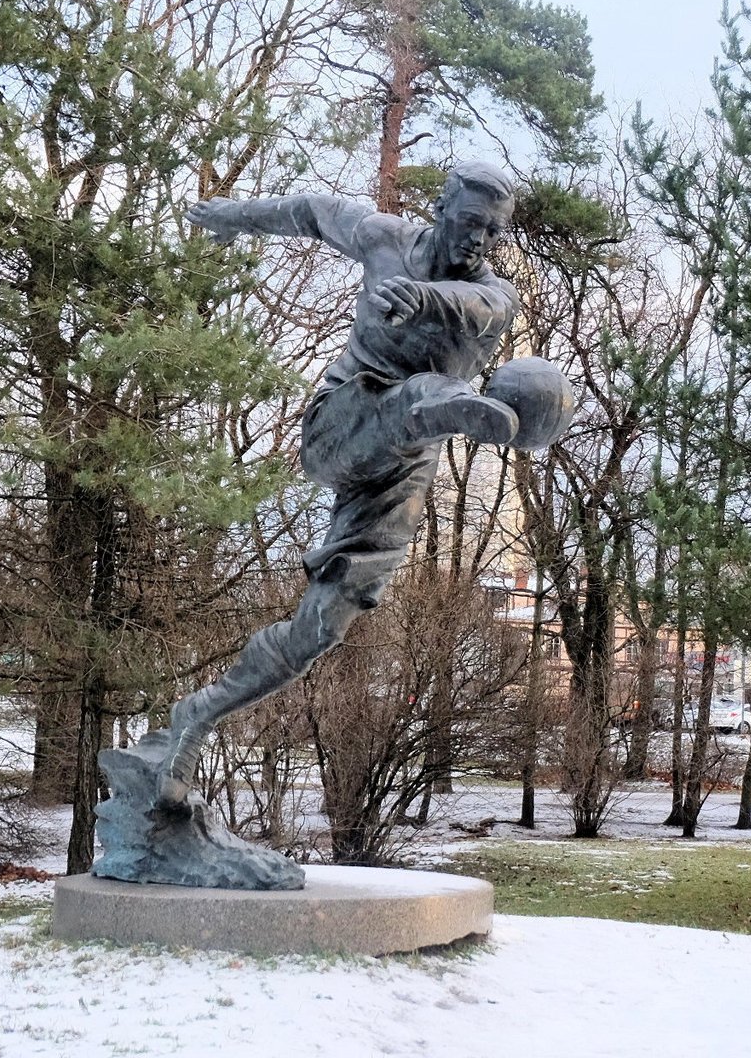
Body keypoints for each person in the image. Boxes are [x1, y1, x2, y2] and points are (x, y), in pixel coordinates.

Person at [154, 161, 572, 810]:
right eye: (468, 225)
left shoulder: (496, 299)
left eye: (493, 234)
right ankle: (438, 404)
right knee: (426, 396)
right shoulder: (381, 239)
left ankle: (197, 718)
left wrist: (421, 298)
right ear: (441, 207)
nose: (478, 244)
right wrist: (230, 216)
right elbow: (309, 210)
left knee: (320, 628)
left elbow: (471, 303)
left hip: (400, 474)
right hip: (344, 421)